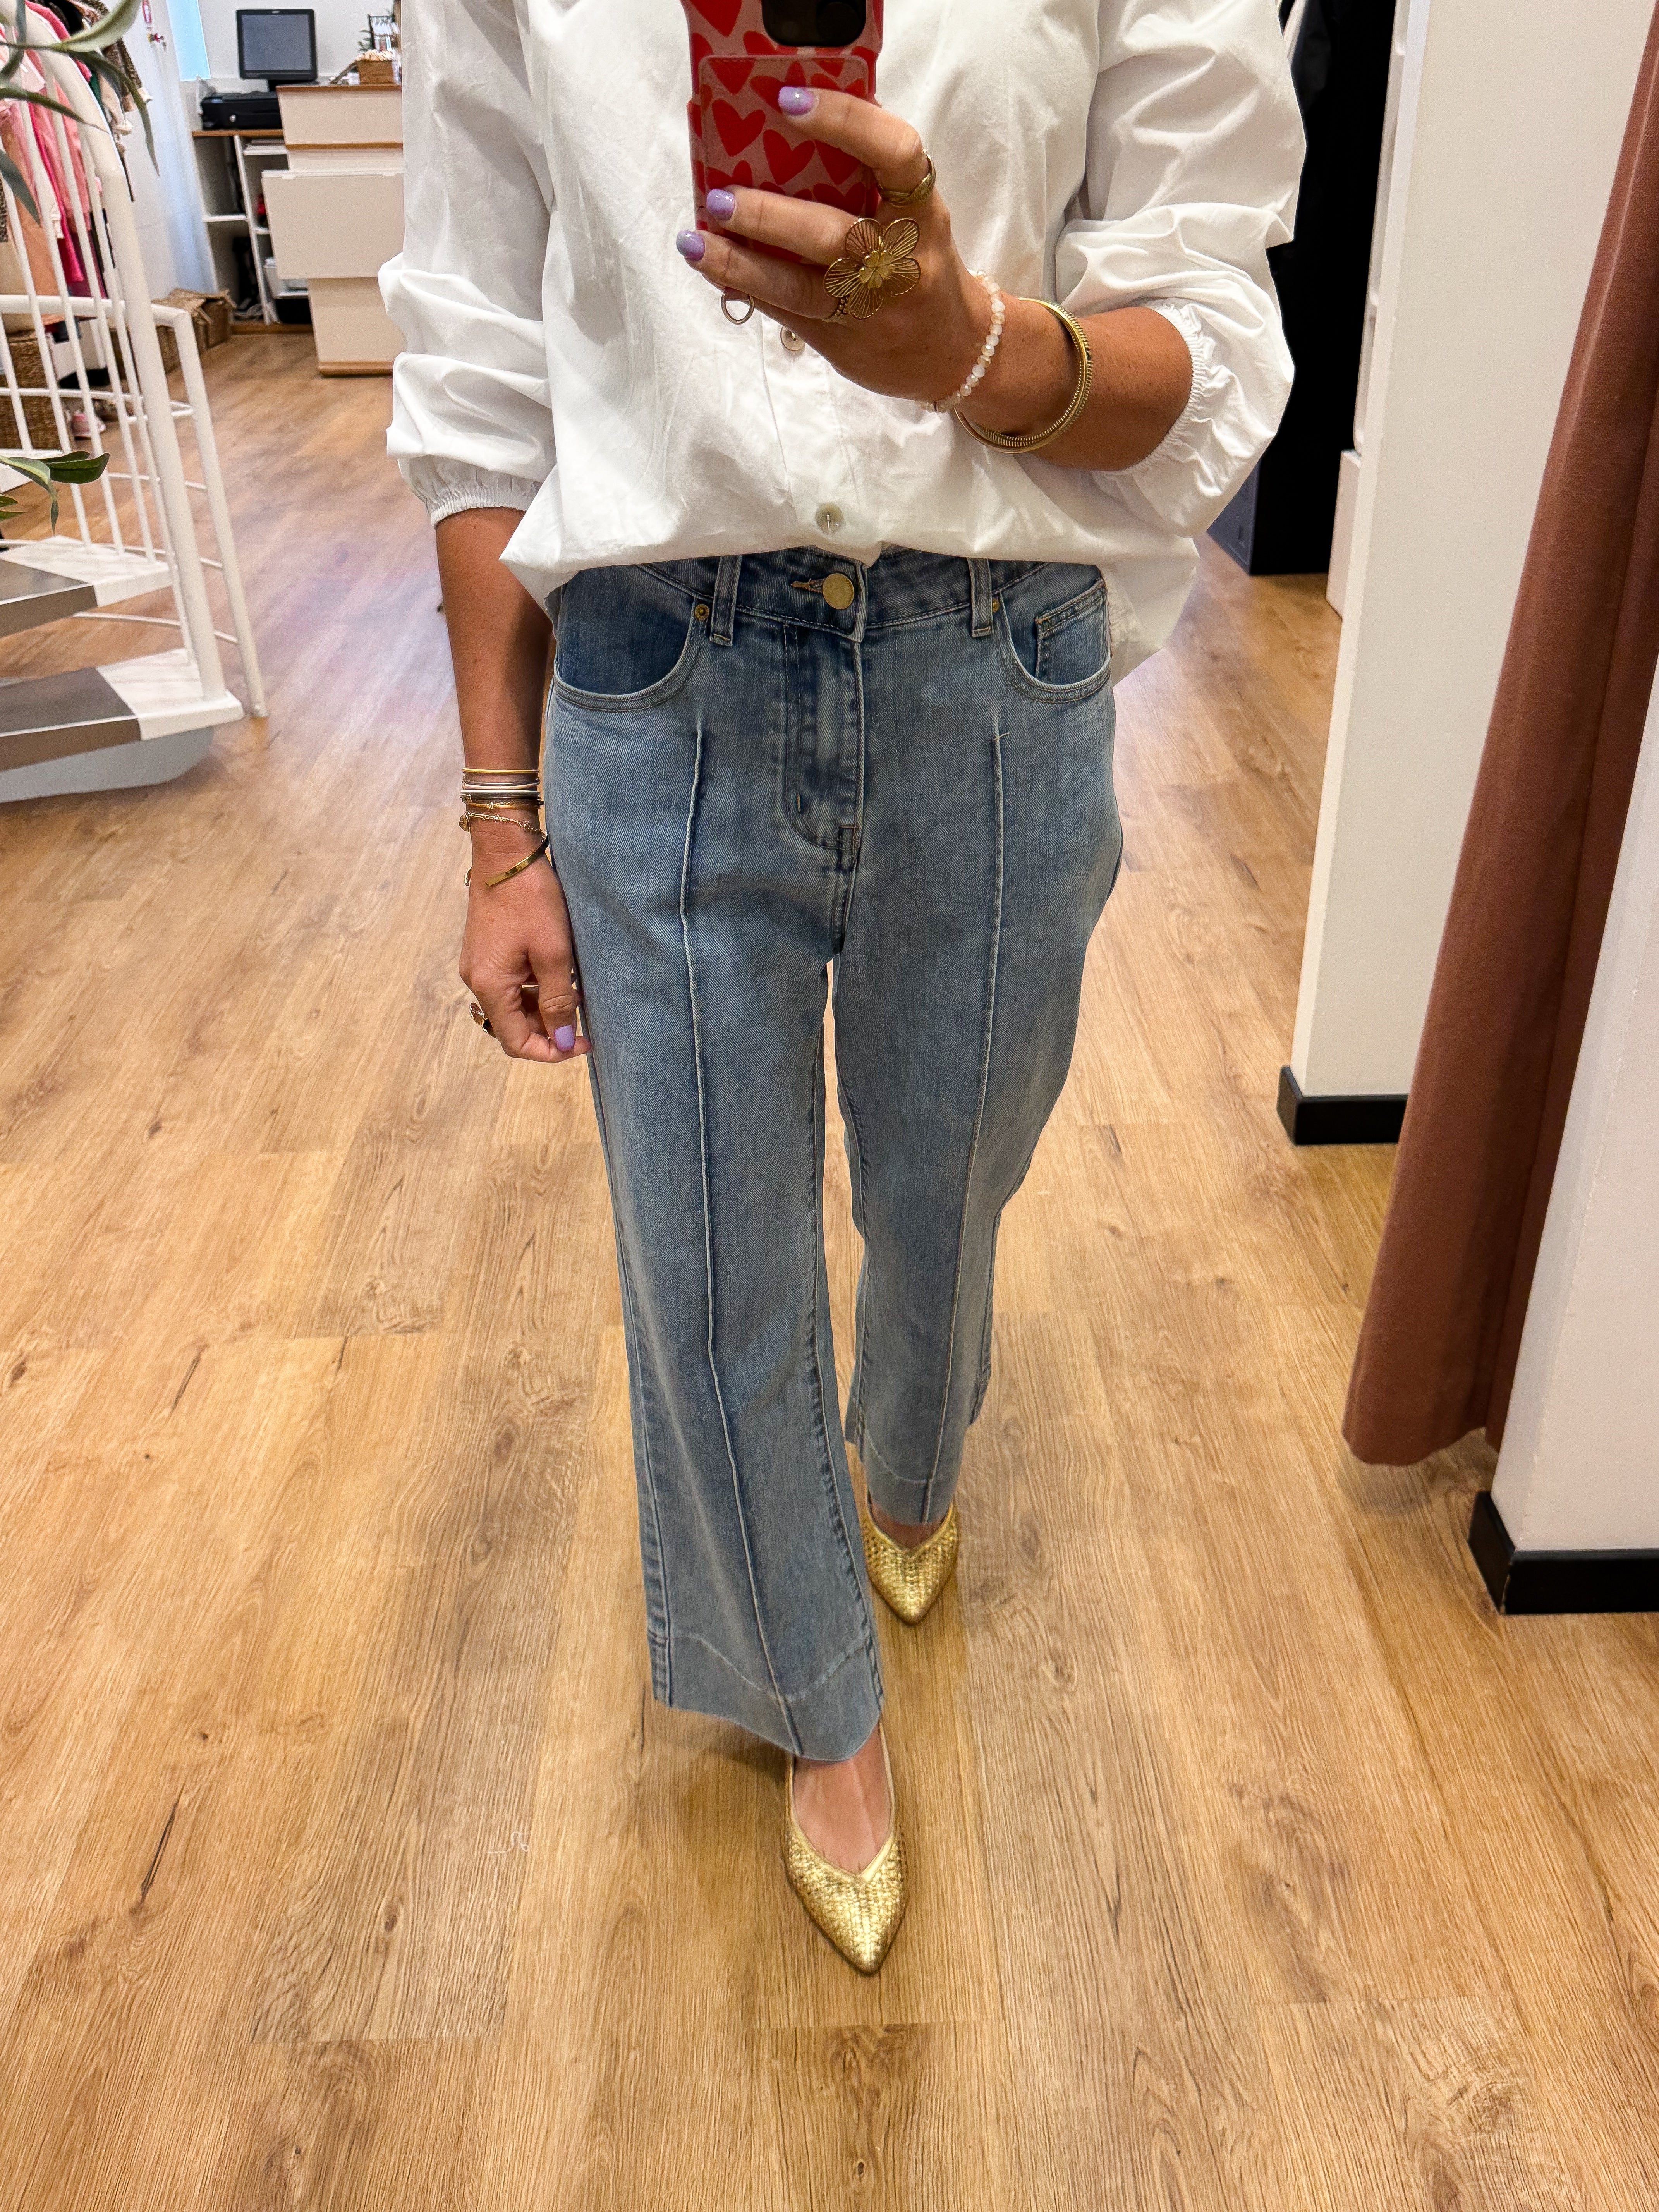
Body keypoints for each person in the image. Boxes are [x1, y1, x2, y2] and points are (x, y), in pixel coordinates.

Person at [383, 0, 1301, 1975]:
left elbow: (1215, 334)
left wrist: (971, 348)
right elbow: (475, 356)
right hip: (657, 668)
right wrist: (496, 821)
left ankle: (912, 1448)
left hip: (996, 658)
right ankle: (816, 1698)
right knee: (704, 1248)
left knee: (949, 1175)